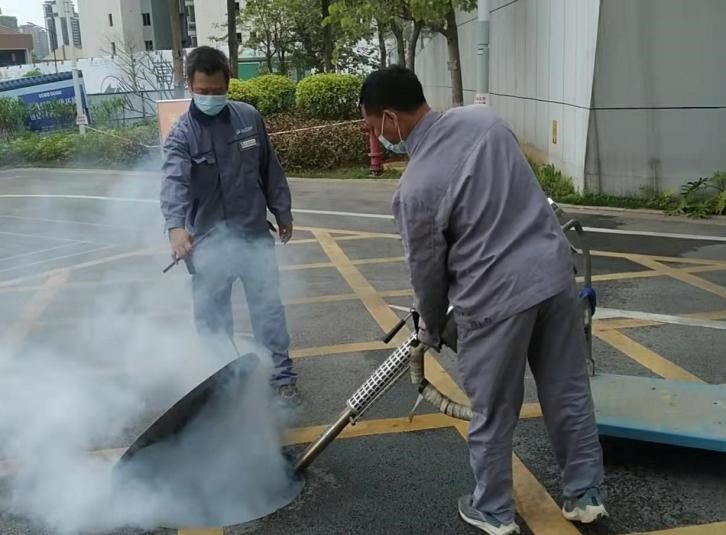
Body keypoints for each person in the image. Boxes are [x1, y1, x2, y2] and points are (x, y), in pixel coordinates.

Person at [359, 66, 606, 535]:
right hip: (553, 278)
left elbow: (427, 272)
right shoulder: (486, 121)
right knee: (568, 390)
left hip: (495, 300)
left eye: (373, 126)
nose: (377, 137)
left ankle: (492, 510)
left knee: (493, 409)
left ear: (390, 117)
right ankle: (586, 495)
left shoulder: (415, 188)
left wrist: (430, 328)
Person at [160, 46, 300, 405]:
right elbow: (174, 182)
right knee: (213, 320)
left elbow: (269, 168)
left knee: (268, 310)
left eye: (218, 90)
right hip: (209, 244)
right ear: (190, 86)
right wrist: (176, 227)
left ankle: (281, 379)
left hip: (253, 234)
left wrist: (282, 211)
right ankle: (224, 385)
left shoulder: (248, 118)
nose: (211, 97)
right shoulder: (182, 136)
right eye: (203, 91)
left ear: (228, 84)